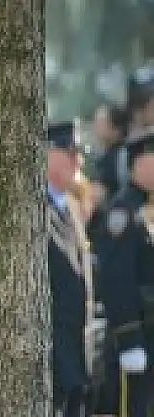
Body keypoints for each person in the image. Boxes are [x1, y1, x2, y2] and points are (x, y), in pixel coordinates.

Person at [95, 129, 154, 417]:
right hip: (135, 340)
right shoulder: (123, 212)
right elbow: (116, 281)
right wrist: (129, 339)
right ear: (138, 163)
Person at [46, 122, 103, 416]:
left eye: (79, 153)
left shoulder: (70, 205)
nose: (78, 161)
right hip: (51, 349)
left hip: (78, 346)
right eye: (70, 153)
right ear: (46, 153)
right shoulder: (34, 209)